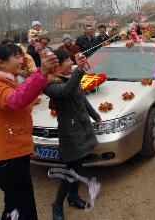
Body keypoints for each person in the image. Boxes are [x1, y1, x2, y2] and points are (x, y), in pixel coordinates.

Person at [0, 44, 58, 219]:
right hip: (6, 157)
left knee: (14, 205)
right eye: (16, 56)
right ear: (1, 63)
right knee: (24, 207)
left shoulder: (6, 83)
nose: (22, 60)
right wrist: (42, 74)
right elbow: (15, 101)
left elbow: (21, 103)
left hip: (14, 154)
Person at [44, 50, 101, 220]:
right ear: (57, 66)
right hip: (70, 132)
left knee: (79, 165)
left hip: (82, 126)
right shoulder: (50, 84)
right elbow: (66, 91)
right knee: (71, 171)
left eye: (71, 60)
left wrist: (94, 115)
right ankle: (57, 204)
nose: (71, 63)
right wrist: (80, 69)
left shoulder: (71, 78)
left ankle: (74, 197)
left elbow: (82, 98)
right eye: (68, 61)